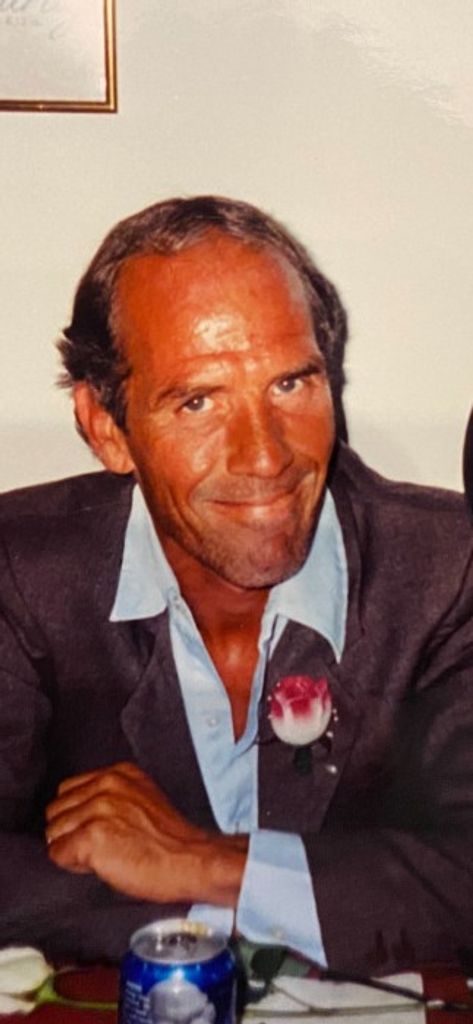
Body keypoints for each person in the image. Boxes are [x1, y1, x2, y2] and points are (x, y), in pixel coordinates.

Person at [0, 195, 472, 975]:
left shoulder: (447, 570)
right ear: (106, 428)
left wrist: (205, 864)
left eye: (290, 384)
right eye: (198, 401)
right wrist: (298, 903)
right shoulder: (22, 572)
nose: (264, 457)